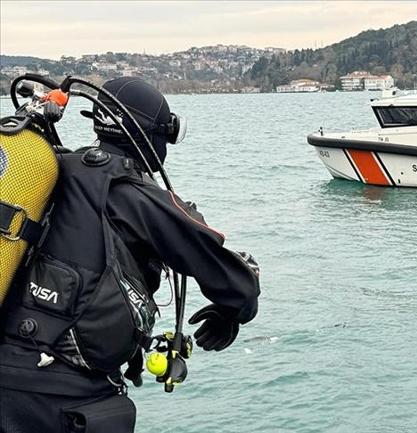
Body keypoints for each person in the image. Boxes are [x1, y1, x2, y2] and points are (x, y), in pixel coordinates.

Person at [0, 77, 261, 433]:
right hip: (64, 394)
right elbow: (227, 273)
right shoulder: (133, 193)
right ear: (156, 134)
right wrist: (234, 312)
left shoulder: (53, 168)